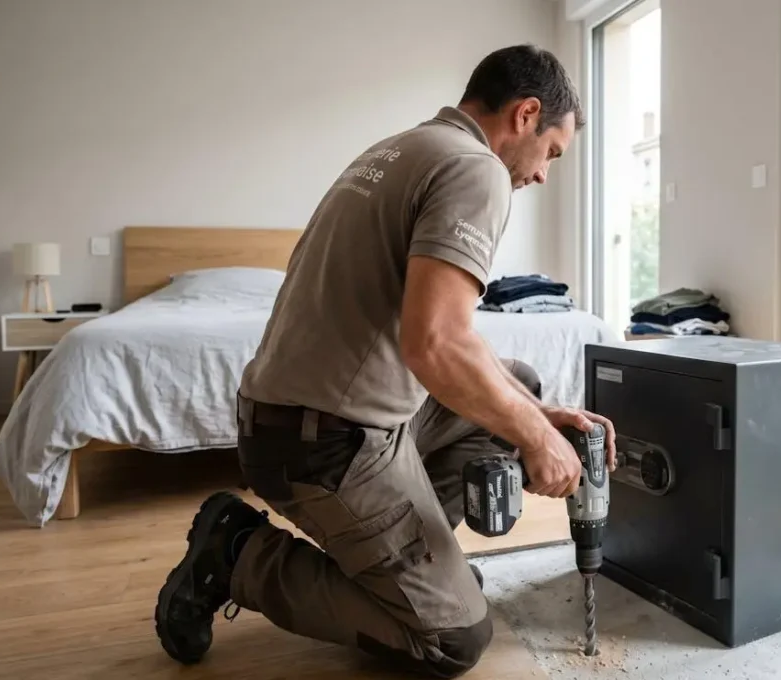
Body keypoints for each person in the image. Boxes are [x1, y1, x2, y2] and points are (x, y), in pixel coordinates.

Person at [153, 44, 617, 678]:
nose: (542, 175)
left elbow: (450, 333)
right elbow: (435, 345)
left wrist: (536, 413)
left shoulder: (401, 148)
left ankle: (412, 569)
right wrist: (536, 437)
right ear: (526, 114)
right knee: (454, 639)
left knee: (521, 385)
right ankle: (237, 552)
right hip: (323, 444)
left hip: (299, 418)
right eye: (552, 154)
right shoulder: (476, 170)